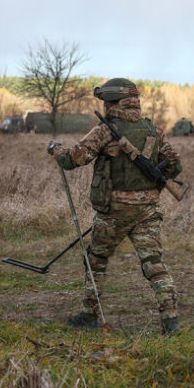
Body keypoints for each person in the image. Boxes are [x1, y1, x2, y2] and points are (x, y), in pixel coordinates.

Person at [47, 78, 182, 334]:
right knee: (154, 263)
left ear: (110, 102)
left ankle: (89, 315)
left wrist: (55, 150)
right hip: (148, 211)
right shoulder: (154, 131)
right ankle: (171, 320)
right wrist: (153, 183)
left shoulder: (105, 130)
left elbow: (73, 160)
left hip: (114, 211)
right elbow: (176, 166)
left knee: (96, 260)